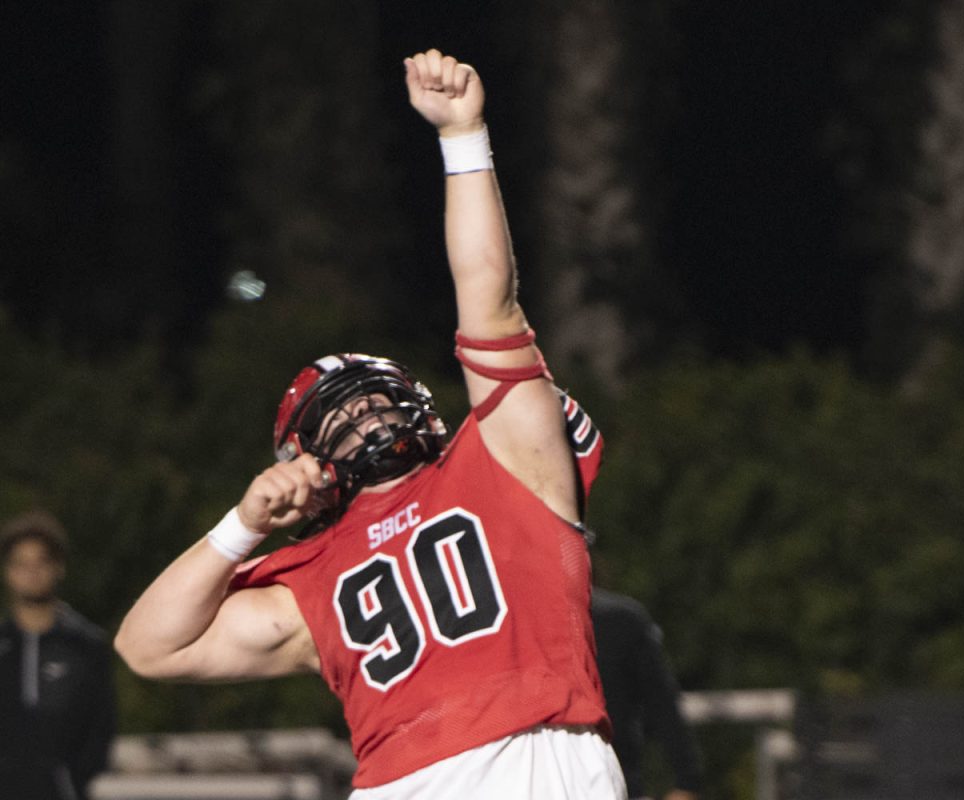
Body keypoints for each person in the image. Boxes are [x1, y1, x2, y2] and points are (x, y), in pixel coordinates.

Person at [114, 49, 625, 800]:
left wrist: (464, 138)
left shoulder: (505, 457)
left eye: (369, 396)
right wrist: (243, 524)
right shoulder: (312, 576)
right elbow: (146, 647)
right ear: (306, 464)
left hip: (537, 754)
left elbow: (489, 298)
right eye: (338, 415)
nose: (363, 416)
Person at [0, 511, 115, 800]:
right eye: (20, 563)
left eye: (41, 561)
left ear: (58, 567)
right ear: (7, 572)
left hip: (64, 791)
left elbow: (101, 724)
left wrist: (76, 775)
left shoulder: (85, 645)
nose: (31, 572)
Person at [592, 587, 702, 800]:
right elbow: (663, 704)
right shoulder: (620, 619)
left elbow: (662, 704)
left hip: (617, 782)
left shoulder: (618, 620)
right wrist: (688, 779)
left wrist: (687, 779)